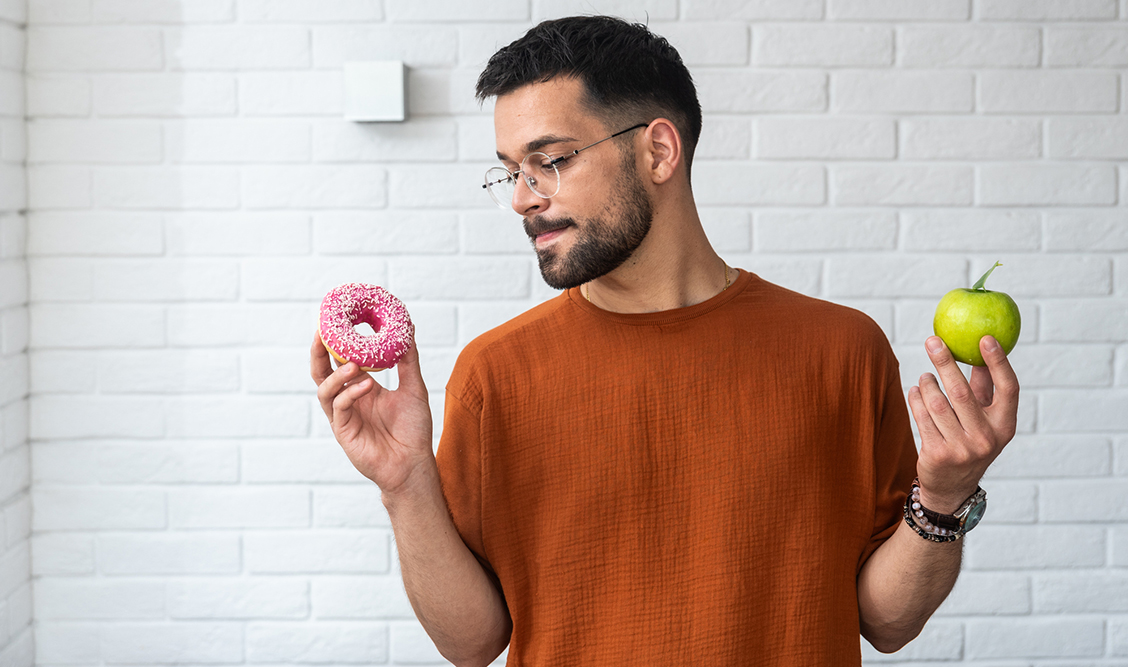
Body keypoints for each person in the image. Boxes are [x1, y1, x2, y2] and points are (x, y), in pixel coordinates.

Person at [310, 15, 1020, 666]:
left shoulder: (842, 352)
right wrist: (405, 484)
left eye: (550, 161)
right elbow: (470, 643)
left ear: (657, 150)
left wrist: (945, 495)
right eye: (511, 171)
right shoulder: (494, 374)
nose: (523, 197)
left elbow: (887, 622)